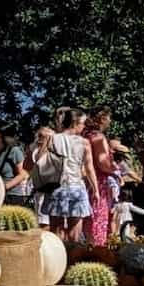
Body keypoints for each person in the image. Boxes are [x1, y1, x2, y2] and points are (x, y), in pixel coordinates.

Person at [44, 105, 95, 241]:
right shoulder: (84, 143)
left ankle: (58, 259)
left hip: (56, 187)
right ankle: (72, 257)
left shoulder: (52, 139)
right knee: (75, 230)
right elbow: (89, 168)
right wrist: (95, 189)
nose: (84, 127)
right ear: (75, 123)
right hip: (76, 188)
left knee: (56, 229)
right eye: (83, 124)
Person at [85, 106, 120, 247]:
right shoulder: (98, 137)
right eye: (109, 118)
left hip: (84, 180)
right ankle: (97, 248)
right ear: (103, 119)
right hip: (98, 182)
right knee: (98, 217)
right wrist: (115, 169)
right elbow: (102, 163)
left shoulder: (84, 135)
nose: (110, 121)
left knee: (87, 218)